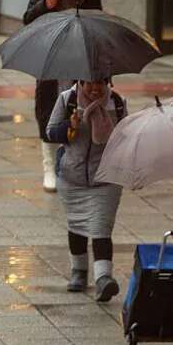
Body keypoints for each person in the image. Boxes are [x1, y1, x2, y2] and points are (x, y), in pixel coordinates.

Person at [46, 80, 127, 302]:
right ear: (80, 81)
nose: (95, 88)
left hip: (106, 178)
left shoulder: (117, 103)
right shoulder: (67, 99)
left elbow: (126, 138)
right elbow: (50, 132)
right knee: (77, 224)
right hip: (72, 176)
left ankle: (103, 278)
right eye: (89, 82)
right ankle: (79, 272)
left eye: (100, 82)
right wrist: (69, 127)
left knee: (101, 227)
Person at [23, 0, 104, 192]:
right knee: (49, 110)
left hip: (81, 59)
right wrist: (44, 6)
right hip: (51, 59)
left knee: (78, 109)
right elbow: (28, 20)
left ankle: (73, 164)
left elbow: (98, 23)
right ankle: (49, 167)